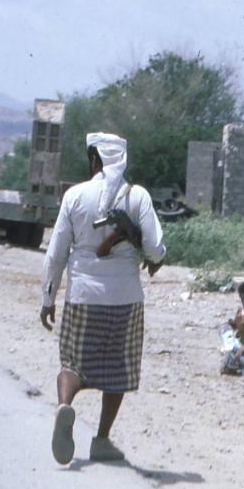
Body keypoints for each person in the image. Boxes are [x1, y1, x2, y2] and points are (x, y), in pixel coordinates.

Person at [40, 132, 166, 465]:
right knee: (118, 369)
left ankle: (65, 406)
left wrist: (48, 297)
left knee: (72, 364)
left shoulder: (75, 195)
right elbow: (155, 249)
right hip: (125, 297)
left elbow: (56, 253)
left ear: (94, 160)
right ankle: (101, 439)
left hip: (83, 293)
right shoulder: (137, 196)